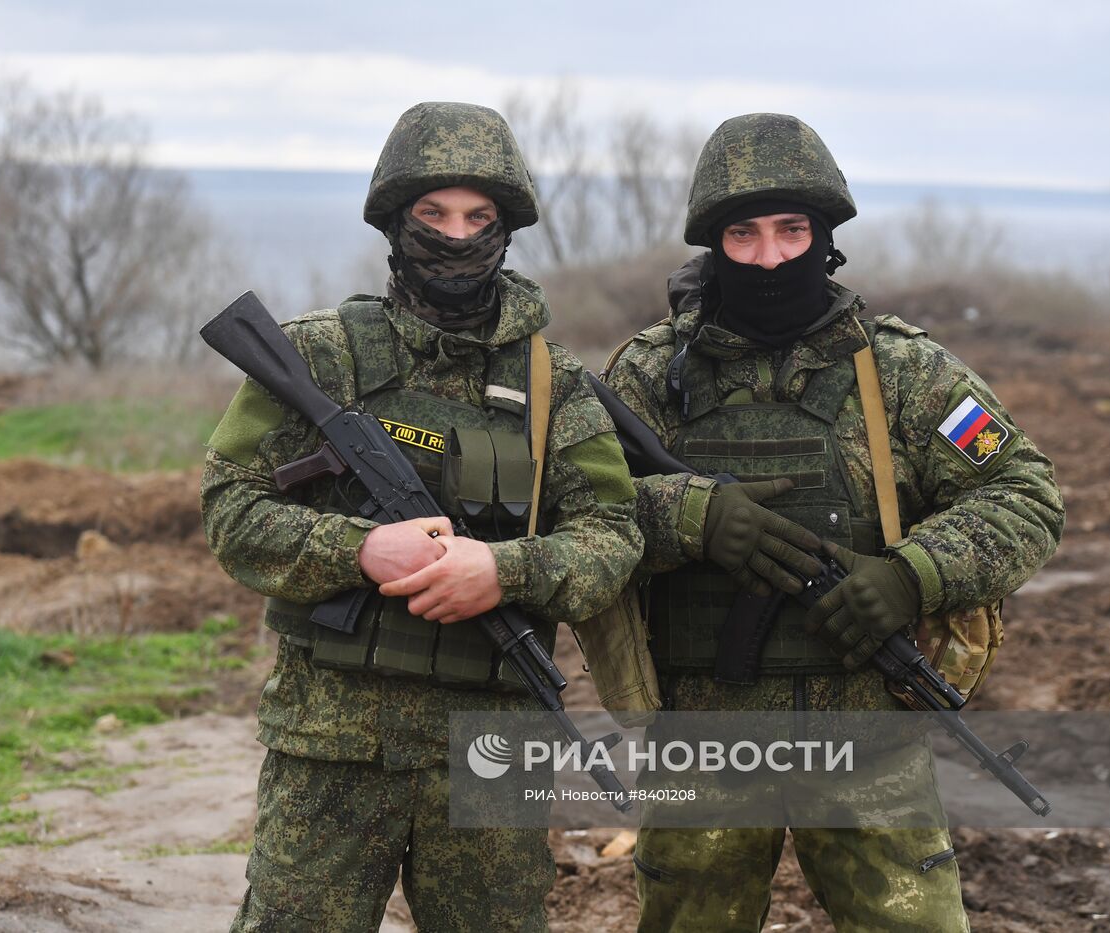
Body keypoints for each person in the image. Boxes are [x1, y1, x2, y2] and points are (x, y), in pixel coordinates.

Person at [603, 112, 1064, 931]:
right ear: (714, 244)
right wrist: (687, 515)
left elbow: (1024, 492)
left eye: (792, 230)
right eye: (744, 235)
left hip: (868, 734)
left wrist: (910, 574)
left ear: (826, 235)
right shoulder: (648, 376)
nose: (772, 256)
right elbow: (579, 515)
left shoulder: (901, 371)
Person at [201, 101, 643, 932]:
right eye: (433, 215)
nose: (456, 236)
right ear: (396, 222)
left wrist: (502, 570)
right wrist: (359, 548)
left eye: (479, 217)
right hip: (331, 741)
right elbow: (232, 508)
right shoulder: (318, 355)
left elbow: (613, 537)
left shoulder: (555, 387)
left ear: (507, 229)